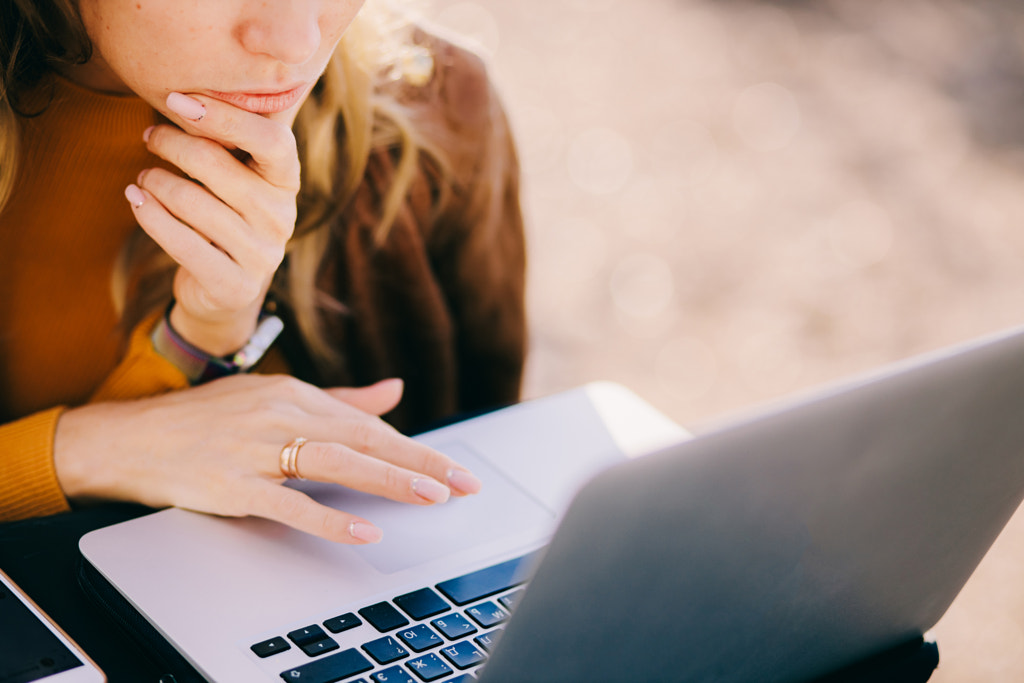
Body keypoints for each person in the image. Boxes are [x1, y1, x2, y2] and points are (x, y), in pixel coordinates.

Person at [0, 0, 526, 544]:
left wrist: (206, 335)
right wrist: (83, 452)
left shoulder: (433, 100)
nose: (297, 42)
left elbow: (495, 473)